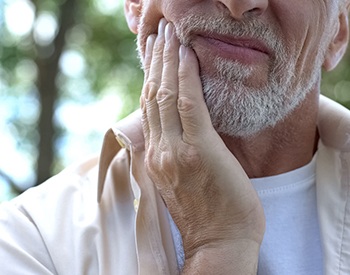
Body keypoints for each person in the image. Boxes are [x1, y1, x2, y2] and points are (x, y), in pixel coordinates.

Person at [1, 0, 350, 274]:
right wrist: (217, 248)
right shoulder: (31, 242)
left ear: (338, 32)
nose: (239, 3)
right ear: (136, 2)